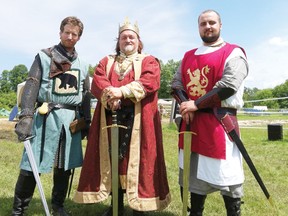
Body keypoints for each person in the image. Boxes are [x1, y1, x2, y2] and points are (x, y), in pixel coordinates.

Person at [73, 18, 171, 215]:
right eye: (123, 37)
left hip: (140, 122)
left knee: (140, 162)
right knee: (113, 160)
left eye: (131, 37)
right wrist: (110, 95)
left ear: (138, 40)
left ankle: (139, 207)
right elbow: (98, 81)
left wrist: (122, 92)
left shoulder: (148, 61)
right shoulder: (107, 61)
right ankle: (115, 205)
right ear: (118, 41)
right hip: (110, 119)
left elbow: (150, 81)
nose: (127, 39)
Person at [171, 10, 249, 216]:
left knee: (227, 174)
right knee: (193, 173)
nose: (208, 26)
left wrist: (195, 104)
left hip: (220, 123)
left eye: (212, 22)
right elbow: (176, 84)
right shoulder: (188, 56)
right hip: (192, 124)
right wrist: (186, 104)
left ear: (220, 25)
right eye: (203, 23)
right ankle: (195, 213)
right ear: (198, 28)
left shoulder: (233, 52)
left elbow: (229, 85)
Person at [12, 16, 91, 216]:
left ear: (79, 37)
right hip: (46, 119)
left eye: (74, 34)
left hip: (70, 121)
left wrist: (87, 121)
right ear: (60, 33)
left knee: (64, 167)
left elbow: (86, 95)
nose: (70, 37)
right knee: (31, 165)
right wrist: (26, 116)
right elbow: (32, 83)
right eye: (67, 32)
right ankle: (19, 210)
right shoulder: (44, 56)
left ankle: (58, 206)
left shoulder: (82, 63)